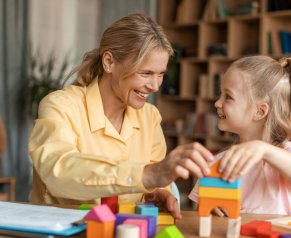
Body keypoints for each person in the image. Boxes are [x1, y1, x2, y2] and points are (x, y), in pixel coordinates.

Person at [29, 14, 214, 219]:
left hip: (125, 235)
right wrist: (147, 175)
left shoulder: (149, 116)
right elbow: (58, 171)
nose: (155, 85)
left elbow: (157, 182)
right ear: (109, 62)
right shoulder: (61, 105)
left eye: (160, 73)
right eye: (145, 73)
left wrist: (157, 193)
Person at [189, 56, 291, 215]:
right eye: (221, 94)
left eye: (228, 97)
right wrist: (211, 208)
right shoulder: (219, 161)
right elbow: (201, 210)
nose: (217, 103)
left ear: (259, 111)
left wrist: (263, 150)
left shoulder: (286, 153)